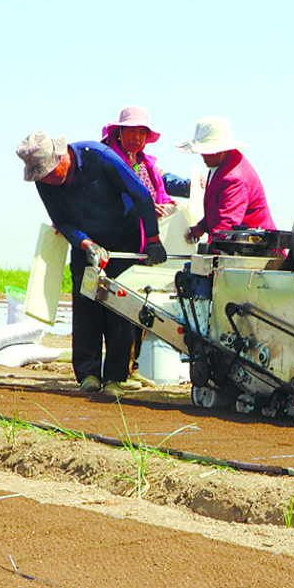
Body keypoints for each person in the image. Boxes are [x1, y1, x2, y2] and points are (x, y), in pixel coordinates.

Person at [17, 130, 166, 399]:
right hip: (87, 245)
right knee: (86, 306)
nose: (49, 180)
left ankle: (115, 378)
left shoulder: (100, 158)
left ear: (62, 157)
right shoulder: (44, 182)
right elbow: (61, 220)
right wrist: (86, 244)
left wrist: (153, 239)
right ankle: (88, 374)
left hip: (123, 240)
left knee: (119, 308)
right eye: (43, 176)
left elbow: (142, 195)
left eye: (51, 172)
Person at [101, 106, 191, 386]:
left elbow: (166, 182)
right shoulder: (109, 160)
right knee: (117, 305)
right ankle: (115, 370)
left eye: (143, 133)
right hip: (116, 242)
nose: (138, 138)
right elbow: (108, 197)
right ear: (119, 132)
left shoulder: (145, 164)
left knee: (141, 300)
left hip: (143, 243)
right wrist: (143, 206)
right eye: (133, 132)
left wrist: (192, 187)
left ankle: (132, 366)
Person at [179, 117, 275, 241]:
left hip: (257, 248)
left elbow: (227, 226)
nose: (203, 155)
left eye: (208, 151)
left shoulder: (234, 179)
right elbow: (219, 208)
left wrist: (210, 251)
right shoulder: (220, 165)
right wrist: (203, 226)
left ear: (222, 150)